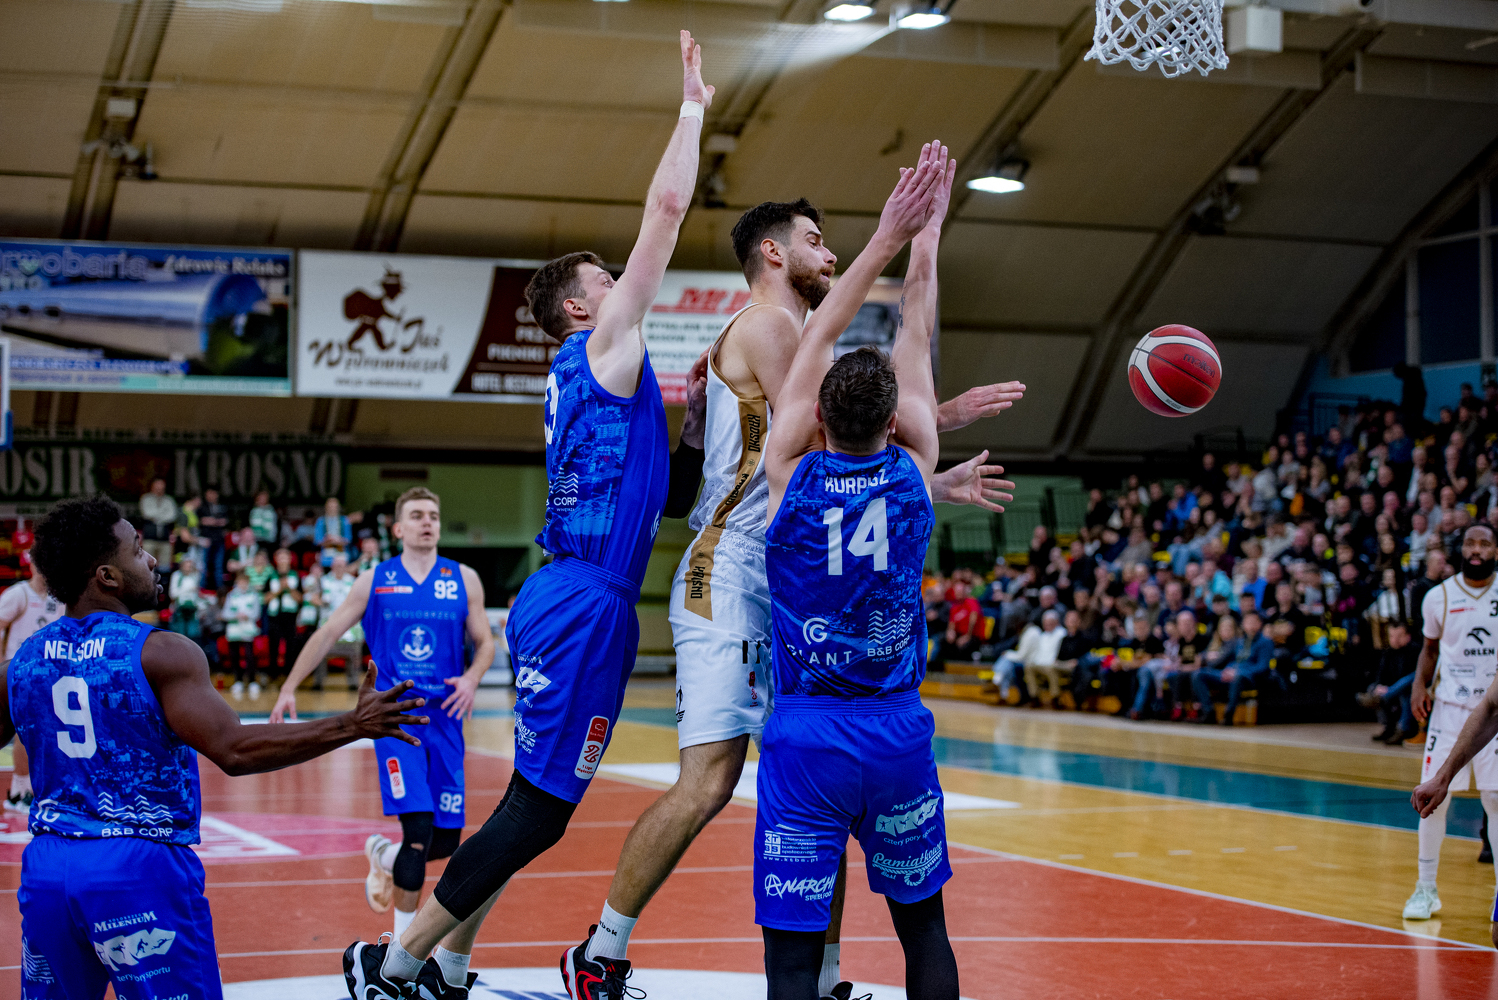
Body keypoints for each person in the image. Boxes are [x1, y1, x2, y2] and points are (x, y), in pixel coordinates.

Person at [342, 36, 727, 1000]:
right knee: (539, 814)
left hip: (582, 592)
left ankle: (445, 963)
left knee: (529, 808)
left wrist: (689, 434)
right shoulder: (602, 344)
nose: (622, 282)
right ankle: (393, 964)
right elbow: (667, 211)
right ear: (577, 309)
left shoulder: (598, 375)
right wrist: (691, 110)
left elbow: (660, 496)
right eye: (604, 279)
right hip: (583, 598)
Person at [569, 188, 1019, 998]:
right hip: (731, 566)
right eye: (815, 239)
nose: (830, 252)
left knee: (819, 792)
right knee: (711, 779)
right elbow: (838, 433)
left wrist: (930, 461)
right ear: (772, 252)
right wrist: (934, 425)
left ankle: (827, 977)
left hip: (782, 566)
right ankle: (601, 949)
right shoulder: (774, 325)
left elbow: (843, 445)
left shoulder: (796, 341)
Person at [3, 494, 425, 1000]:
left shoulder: (22, 662)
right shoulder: (160, 652)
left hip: (47, 868)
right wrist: (354, 724)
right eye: (137, 550)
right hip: (136, 867)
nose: (151, 559)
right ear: (107, 577)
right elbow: (235, 749)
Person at [753, 141, 957, 999]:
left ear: (815, 419)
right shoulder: (914, 472)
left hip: (808, 735)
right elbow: (915, 328)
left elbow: (822, 333)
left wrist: (887, 233)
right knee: (925, 933)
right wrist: (928, 236)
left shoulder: (789, 473)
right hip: (896, 730)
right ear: (897, 422)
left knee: (794, 955)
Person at [273, 487, 494, 946]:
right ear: (398, 528)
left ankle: (382, 855)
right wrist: (290, 685)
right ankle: (401, 952)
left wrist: (472, 677)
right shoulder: (374, 579)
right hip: (394, 717)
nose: (427, 522)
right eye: (416, 515)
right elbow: (328, 632)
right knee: (418, 833)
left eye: (433, 515)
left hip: (446, 719)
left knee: (445, 843)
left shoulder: (464, 578)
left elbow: (485, 642)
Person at [1402, 523, 1498, 922]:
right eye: (1470, 543)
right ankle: (1426, 888)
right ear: (1461, 549)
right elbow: (1429, 649)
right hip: (1450, 710)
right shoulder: (1438, 596)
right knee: (1432, 799)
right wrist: (1418, 685)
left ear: (1495, 550)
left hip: (1494, 711)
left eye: (1484, 543)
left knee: (1496, 800)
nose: (1476, 550)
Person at [0, 570, 63, 813]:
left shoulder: (59, 597)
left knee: (45, 733)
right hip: (18, 671)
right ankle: (19, 791)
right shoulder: (19, 594)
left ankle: (30, 789)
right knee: (24, 730)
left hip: (49, 672)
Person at [264, 548, 302, 681]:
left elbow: (300, 598)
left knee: (291, 645)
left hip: (290, 615)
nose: (283, 560)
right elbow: (265, 599)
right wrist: (279, 590)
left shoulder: (295, 576)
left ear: (290, 559)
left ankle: (289, 675)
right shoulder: (271, 576)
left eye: (285, 557)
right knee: (273, 646)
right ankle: (273, 675)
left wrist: (289, 589)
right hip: (274, 615)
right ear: (276, 559)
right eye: (280, 557)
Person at [223, 571, 262, 700]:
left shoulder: (253, 595)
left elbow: (256, 612)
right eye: (240, 582)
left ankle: (252, 681)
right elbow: (225, 613)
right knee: (234, 656)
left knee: (249, 656)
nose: (243, 584)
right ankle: (238, 681)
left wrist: (247, 615)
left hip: (247, 628)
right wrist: (235, 615)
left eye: (245, 582)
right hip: (234, 629)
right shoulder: (231, 595)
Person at [138, 478, 177, 570]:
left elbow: (172, 516)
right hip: (149, 538)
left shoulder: (169, 500)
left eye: (161, 486)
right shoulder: (145, 499)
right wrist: (163, 515)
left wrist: (155, 517)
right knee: (147, 565)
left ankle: (163, 579)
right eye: (157, 486)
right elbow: (146, 513)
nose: (159, 488)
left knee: (164, 566)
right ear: (152, 487)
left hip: (164, 538)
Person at [199, 487, 229, 589]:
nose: (211, 495)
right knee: (203, 566)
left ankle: (220, 590)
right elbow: (202, 520)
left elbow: (225, 521)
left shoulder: (222, 507)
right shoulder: (202, 507)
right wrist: (215, 522)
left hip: (219, 540)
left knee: (218, 566)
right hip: (206, 540)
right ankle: (202, 589)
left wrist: (212, 521)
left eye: (213, 493)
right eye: (209, 493)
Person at [315, 497, 352, 568]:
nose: (332, 509)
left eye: (334, 507)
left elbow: (348, 539)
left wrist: (338, 540)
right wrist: (327, 540)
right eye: (330, 507)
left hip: (341, 551)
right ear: (326, 508)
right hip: (326, 552)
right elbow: (318, 541)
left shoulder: (345, 520)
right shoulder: (321, 521)